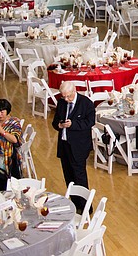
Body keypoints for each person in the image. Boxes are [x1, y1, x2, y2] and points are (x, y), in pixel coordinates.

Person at [52, 81, 95, 212]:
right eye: (63, 96)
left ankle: (86, 207)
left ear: (74, 91)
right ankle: (75, 204)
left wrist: (73, 124)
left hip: (79, 147)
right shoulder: (61, 103)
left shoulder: (86, 103)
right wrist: (59, 125)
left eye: (68, 96)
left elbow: (90, 122)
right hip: (64, 145)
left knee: (79, 177)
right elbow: (54, 122)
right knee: (68, 176)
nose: (66, 99)